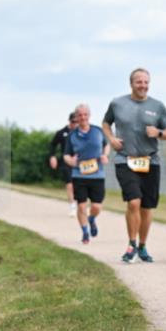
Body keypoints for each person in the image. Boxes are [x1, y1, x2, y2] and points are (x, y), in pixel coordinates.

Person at [103, 68, 166, 263]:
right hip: (125, 159)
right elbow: (106, 123)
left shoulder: (157, 106)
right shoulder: (117, 103)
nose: (143, 85)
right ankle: (131, 244)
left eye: (146, 82)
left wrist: (158, 133)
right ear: (131, 83)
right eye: (139, 82)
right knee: (134, 201)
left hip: (151, 161)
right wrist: (111, 139)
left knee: (147, 207)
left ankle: (142, 246)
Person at [63, 104, 109, 244]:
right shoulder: (72, 135)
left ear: (89, 115)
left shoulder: (98, 131)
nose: (83, 117)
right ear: (76, 117)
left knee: (96, 207)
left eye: (85, 114)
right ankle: (84, 232)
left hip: (97, 175)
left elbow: (106, 145)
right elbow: (66, 155)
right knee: (82, 206)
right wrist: (71, 161)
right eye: (80, 115)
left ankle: (92, 219)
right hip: (79, 175)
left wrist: (104, 155)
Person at [49, 112, 79, 215]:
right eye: (73, 122)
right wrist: (52, 156)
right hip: (66, 162)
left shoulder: (80, 132)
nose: (75, 124)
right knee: (70, 184)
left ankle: (80, 204)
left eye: (77, 122)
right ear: (69, 121)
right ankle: (72, 206)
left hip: (79, 162)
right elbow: (52, 145)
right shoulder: (61, 133)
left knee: (79, 184)